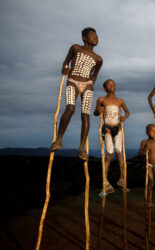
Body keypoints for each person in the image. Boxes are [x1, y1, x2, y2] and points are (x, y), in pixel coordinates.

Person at [51, 27, 103, 160]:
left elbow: (95, 75)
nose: (95, 38)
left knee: (85, 114)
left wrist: (91, 83)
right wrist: (65, 67)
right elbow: (66, 61)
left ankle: (81, 149)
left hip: (87, 86)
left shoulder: (98, 59)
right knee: (70, 108)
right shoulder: (75, 48)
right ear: (85, 38)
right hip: (73, 81)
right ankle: (59, 139)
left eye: (96, 36)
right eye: (92, 35)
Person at [94, 79, 130, 194]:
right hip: (107, 130)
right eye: (110, 85)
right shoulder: (101, 99)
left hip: (117, 128)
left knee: (119, 153)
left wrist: (124, 118)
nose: (113, 86)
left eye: (114, 84)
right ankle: (104, 181)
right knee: (109, 154)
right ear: (105, 88)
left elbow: (127, 112)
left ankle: (122, 178)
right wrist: (99, 109)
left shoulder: (120, 101)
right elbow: (95, 112)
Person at [139, 124, 155, 207]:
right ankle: (149, 201)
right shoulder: (144, 142)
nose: (154, 132)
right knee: (151, 181)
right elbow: (140, 153)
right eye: (152, 130)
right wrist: (145, 149)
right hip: (149, 164)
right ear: (147, 132)